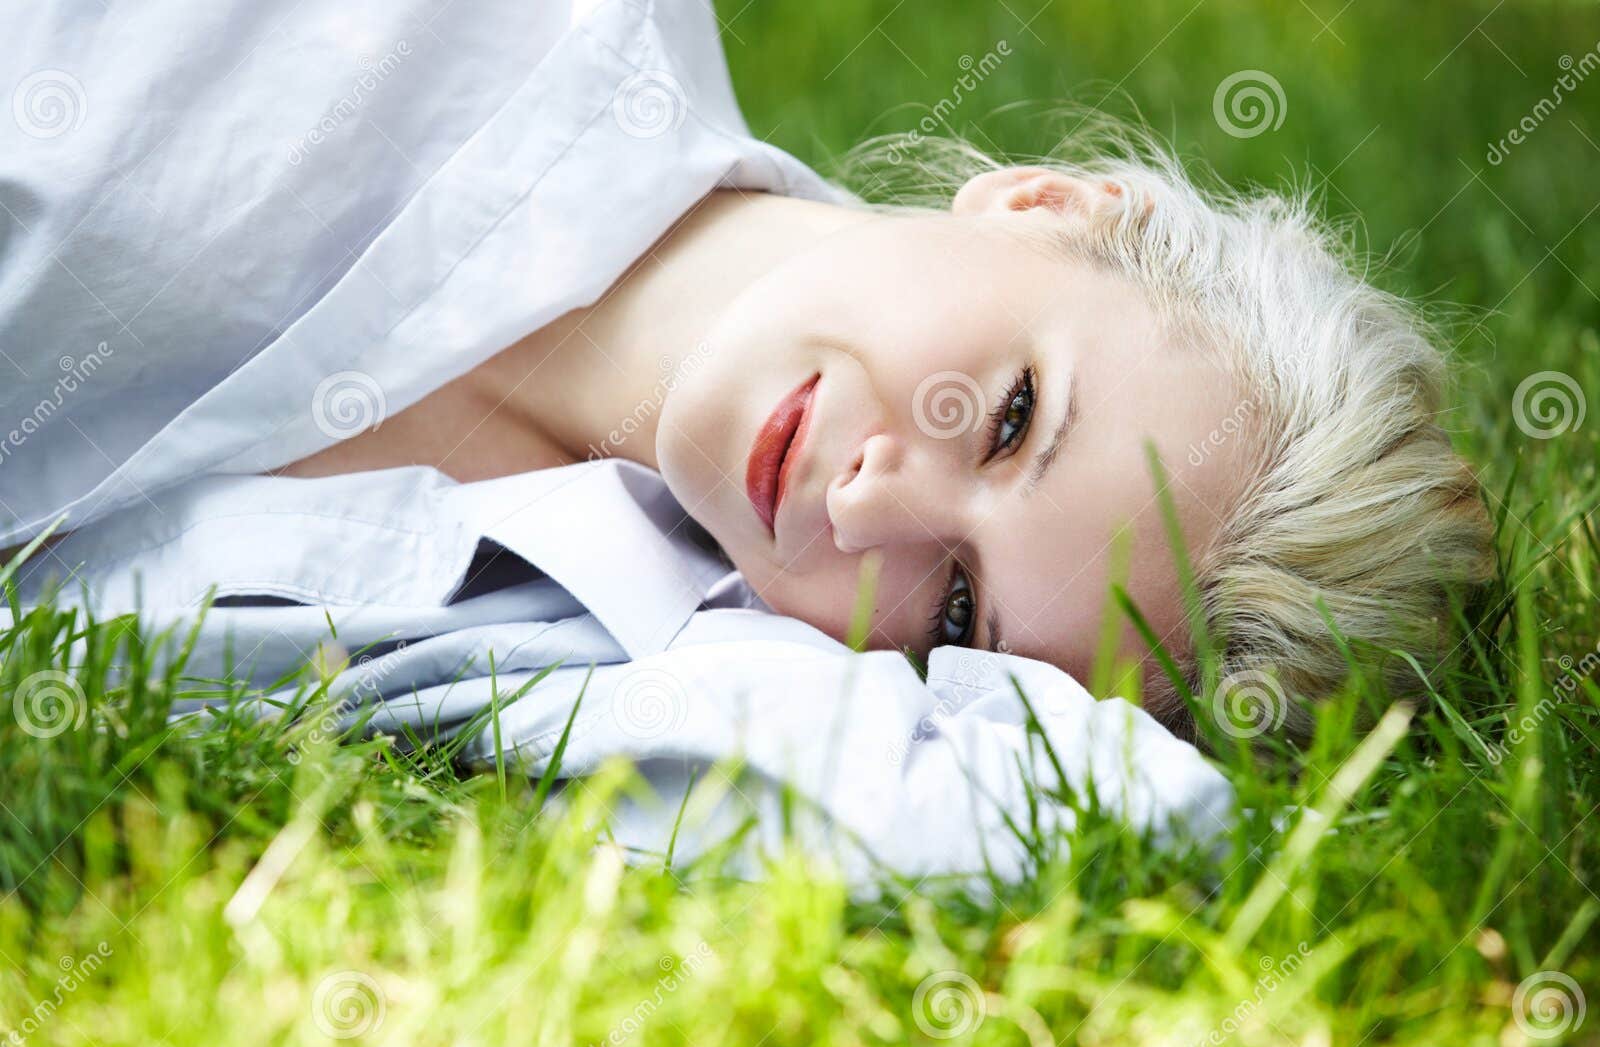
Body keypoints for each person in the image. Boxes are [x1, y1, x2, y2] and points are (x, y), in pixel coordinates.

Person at [0, 0, 1492, 879]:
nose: (871, 499)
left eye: (957, 608)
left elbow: (1059, 819)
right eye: (1015, 414)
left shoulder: (628, 643)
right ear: (1054, 204)